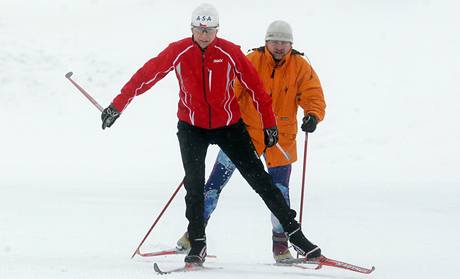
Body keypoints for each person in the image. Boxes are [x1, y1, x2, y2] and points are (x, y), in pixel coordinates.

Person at [101, 4, 321, 265]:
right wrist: (117, 105)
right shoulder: (179, 50)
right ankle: (197, 242)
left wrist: (270, 125)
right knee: (194, 186)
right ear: (192, 29)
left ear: (217, 30)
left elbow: (257, 90)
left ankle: (295, 235)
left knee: (262, 182)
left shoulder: (230, 52)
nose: (204, 36)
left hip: (229, 127)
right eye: (199, 30)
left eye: (209, 31)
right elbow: (145, 76)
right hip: (191, 127)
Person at [175, 20, 326, 263]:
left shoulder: (300, 66)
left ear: (291, 44)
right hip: (245, 136)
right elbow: (230, 91)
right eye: (274, 41)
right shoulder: (252, 59)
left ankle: (281, 247)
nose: (278, 47)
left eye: (283, 43)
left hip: (282, 140)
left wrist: (313, 115)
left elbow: (312, 94)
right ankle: (194, 234)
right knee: (213, 184)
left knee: (279, 192)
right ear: (266, 42)